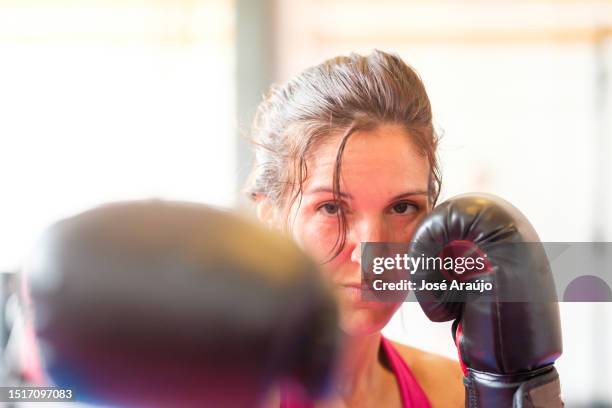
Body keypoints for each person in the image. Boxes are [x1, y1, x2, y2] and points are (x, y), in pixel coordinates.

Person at [245, 50, 465, 407]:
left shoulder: (452, 391)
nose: (371, 251)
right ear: (271, 218)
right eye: (331, 208)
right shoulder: (213, 392)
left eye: (402, 207)